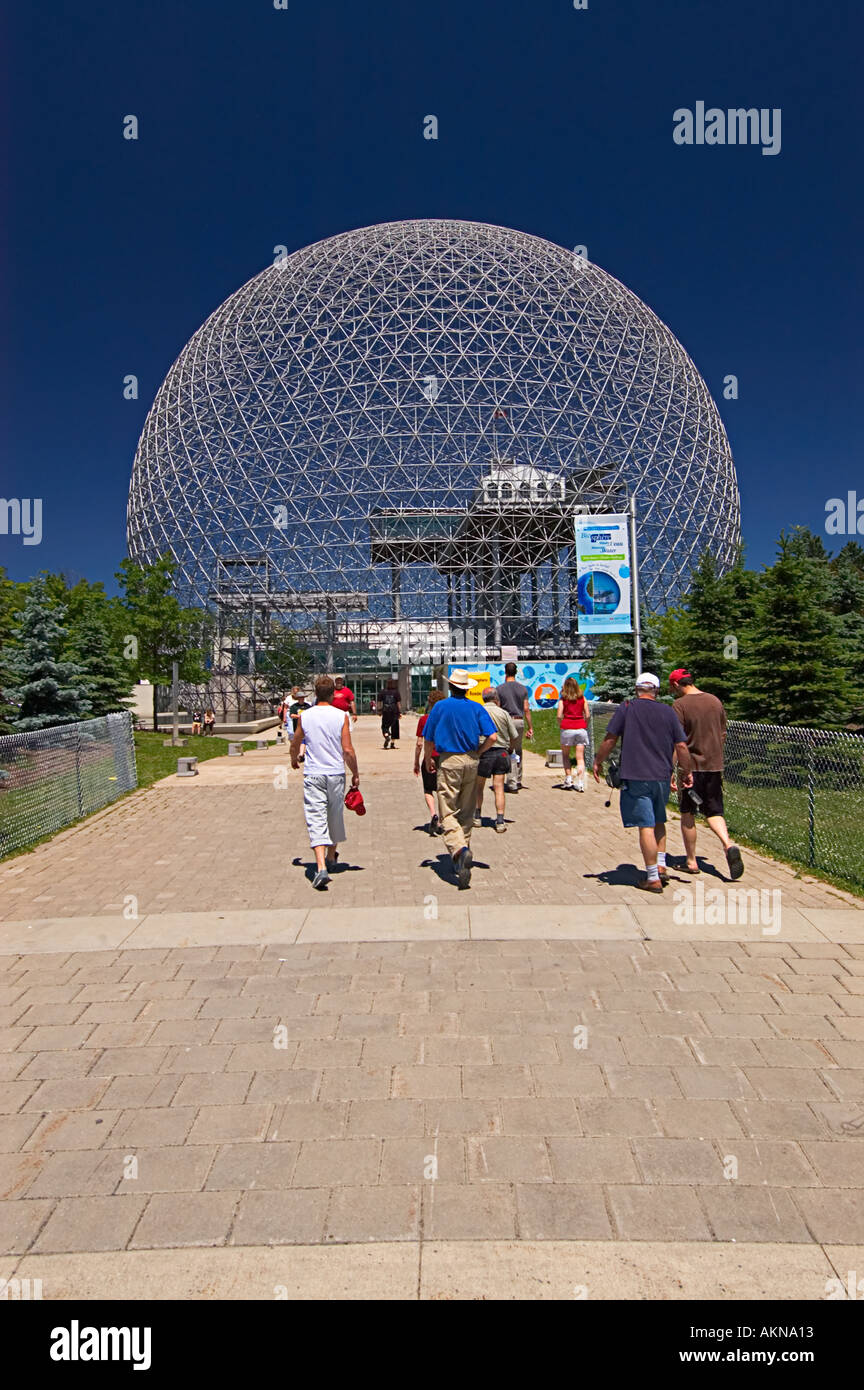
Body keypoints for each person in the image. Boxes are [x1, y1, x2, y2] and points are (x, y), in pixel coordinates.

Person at [592, 672, 693, 894]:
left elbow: (611, 738)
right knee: (659, 819)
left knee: (645, 825)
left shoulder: (627, 708)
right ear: (656, 690)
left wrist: (598, 760)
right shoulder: (668, 712)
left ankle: (653, 878)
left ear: (637, 689)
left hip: (636, 775)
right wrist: (686, 771)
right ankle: (660, 864)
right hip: (662, 776)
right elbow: (682, 746)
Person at [422, 670, 497, 888]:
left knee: (447, 811)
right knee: (466, 811)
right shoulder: (476, 707)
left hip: (449, 761)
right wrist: (479, 752)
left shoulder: (440, 707)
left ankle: (459, 849)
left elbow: (428, 737)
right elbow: (492, 736)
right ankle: (461, 859)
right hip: (472, 761)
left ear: (450, 687)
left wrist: (429, 759)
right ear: (467, 688)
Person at [669, 668, 744, 880]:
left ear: (676, 685)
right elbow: (723, 732)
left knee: (688, 813)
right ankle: (727, 844)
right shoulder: (715, 701)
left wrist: (671, 770)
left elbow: (678, 741)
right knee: (714, 811)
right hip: (715, 765)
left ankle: (691, 861)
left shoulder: (679, 705)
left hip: (691, 769)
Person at [290, 674, 360, 891]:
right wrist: (355, 773)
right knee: (334, 814)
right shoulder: (341, 716)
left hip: (314, 774)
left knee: (316, 817)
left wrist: (294, 759)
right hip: (336, 773)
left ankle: (320, 867)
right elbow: (347, 750)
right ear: (332, 694)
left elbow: (296, 742)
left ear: (315, 692)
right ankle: (331, 856)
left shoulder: (306, 715)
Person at [475, 688, 518, 833]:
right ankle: (500, 820)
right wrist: (510, 749)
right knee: (498, 787)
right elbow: (514, 735)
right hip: (501, 752)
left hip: (484, 752)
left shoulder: (479, 711)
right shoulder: (504, 713)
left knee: (479, 786)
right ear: (496, 699)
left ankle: (477, 817)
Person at [495, 662, 534, 792]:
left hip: (506, 721)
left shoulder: (499, 689)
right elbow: (526, 709)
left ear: (505, 672)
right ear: (516, 672)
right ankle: (518, 779)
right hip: (519, 721)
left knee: (507, 750)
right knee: (518, 750)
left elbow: (498, 708)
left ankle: (509, 780)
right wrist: (530, 727)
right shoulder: (523, 689)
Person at [414, 689, 445, 834]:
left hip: (430, 757)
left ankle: (433, 815)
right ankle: (444, 819)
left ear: (430, 702)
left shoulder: (424, 719)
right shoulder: (447, 718)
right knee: (443, 790)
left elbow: (420, 743)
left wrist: (416, 761)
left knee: (428, 788)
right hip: (445, 757)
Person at [556, 677, 589, 791]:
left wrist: (561, 724)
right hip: (581, 728)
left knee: (565, 755)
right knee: (580, 757)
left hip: (567, 728)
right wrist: (586, 724)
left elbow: (559, 715)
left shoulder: (563, 699)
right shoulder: (582, 698)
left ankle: (568, 778)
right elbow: (587, 714)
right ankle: (580, 782)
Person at [381, 678, 401, 749]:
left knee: (385, 727)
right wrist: (399, 712)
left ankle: (386, 736)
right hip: (394, 712)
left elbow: (379, 702)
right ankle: (392, 744)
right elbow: (398, 703)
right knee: (394, 728)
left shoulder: (383, 692)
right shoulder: (396, 692)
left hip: (386, 712)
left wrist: (380, 710)